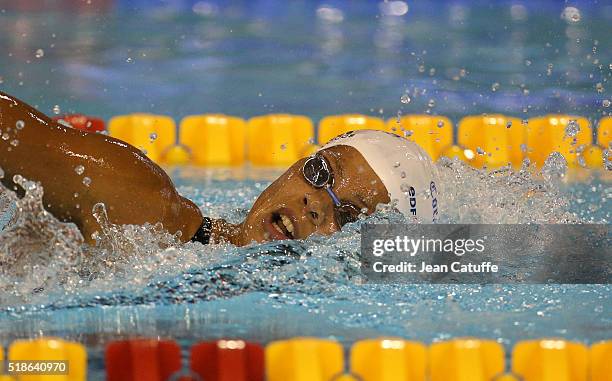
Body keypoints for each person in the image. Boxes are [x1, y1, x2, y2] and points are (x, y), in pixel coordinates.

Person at [0, 91, 439, 246]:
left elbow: (501, 256)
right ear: (295, 165)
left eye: (347, 215)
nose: (313, 203)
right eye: (321, 173)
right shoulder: (143, 207)